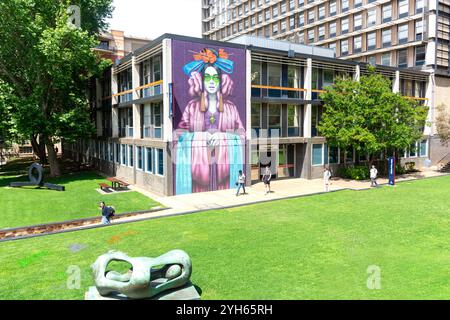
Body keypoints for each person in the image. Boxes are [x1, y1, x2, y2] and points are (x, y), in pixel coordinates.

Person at [173, 48, 246, 195]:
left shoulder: (231, 108)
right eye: (207, 77)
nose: (211, 82)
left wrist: (223, 137)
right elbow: (178, 136)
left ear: (221, 80)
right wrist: (199, 137)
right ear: (201, 80)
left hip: (225, 178)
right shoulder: (191, 107)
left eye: (215, 78)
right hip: (198, 181)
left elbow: (242, 136)